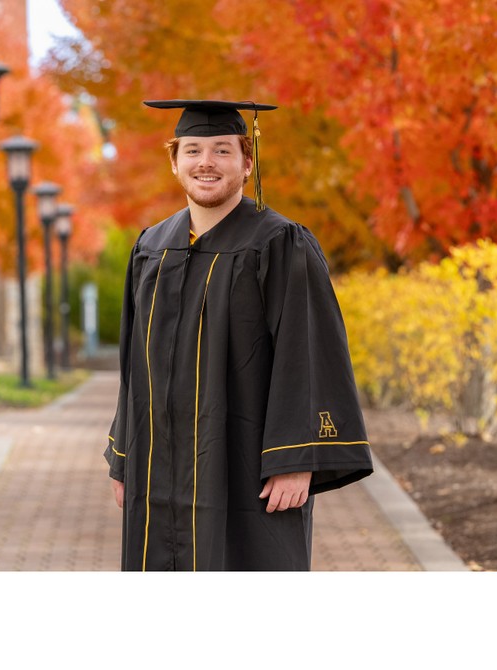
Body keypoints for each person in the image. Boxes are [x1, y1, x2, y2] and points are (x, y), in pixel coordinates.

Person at [104, 99, 372, 571]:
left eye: (222, 150)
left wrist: (296, 457)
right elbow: (133, 368)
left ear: (247, 163)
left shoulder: (279, 243)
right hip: (158, 471)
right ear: (174, 162)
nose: (206, 163)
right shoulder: (150, 249)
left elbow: (307, 353)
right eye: (193, 150)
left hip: (245, 467)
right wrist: (124, 458)